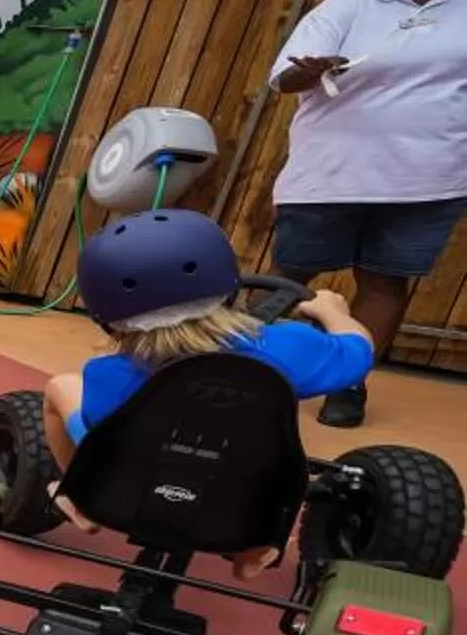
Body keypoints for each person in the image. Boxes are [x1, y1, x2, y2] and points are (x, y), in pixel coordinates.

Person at [45, 209, 374, 573]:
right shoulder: (289, 346)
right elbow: (359, 353)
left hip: (123, 498)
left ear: (107, 320)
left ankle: (79, 498)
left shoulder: (109, 374)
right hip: (239, 513)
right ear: (227, 286)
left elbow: (98, 434)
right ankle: (253, 550)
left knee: (61, 388)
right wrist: (333, 312)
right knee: (268, 455)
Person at [264, 0, 467, 427]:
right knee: (291, 276)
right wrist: (309, 71)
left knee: (385, 280)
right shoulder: (352, 3)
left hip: (429, 176)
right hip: (333, 173)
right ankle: (257, 374)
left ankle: (347, 384)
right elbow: (283, 79)